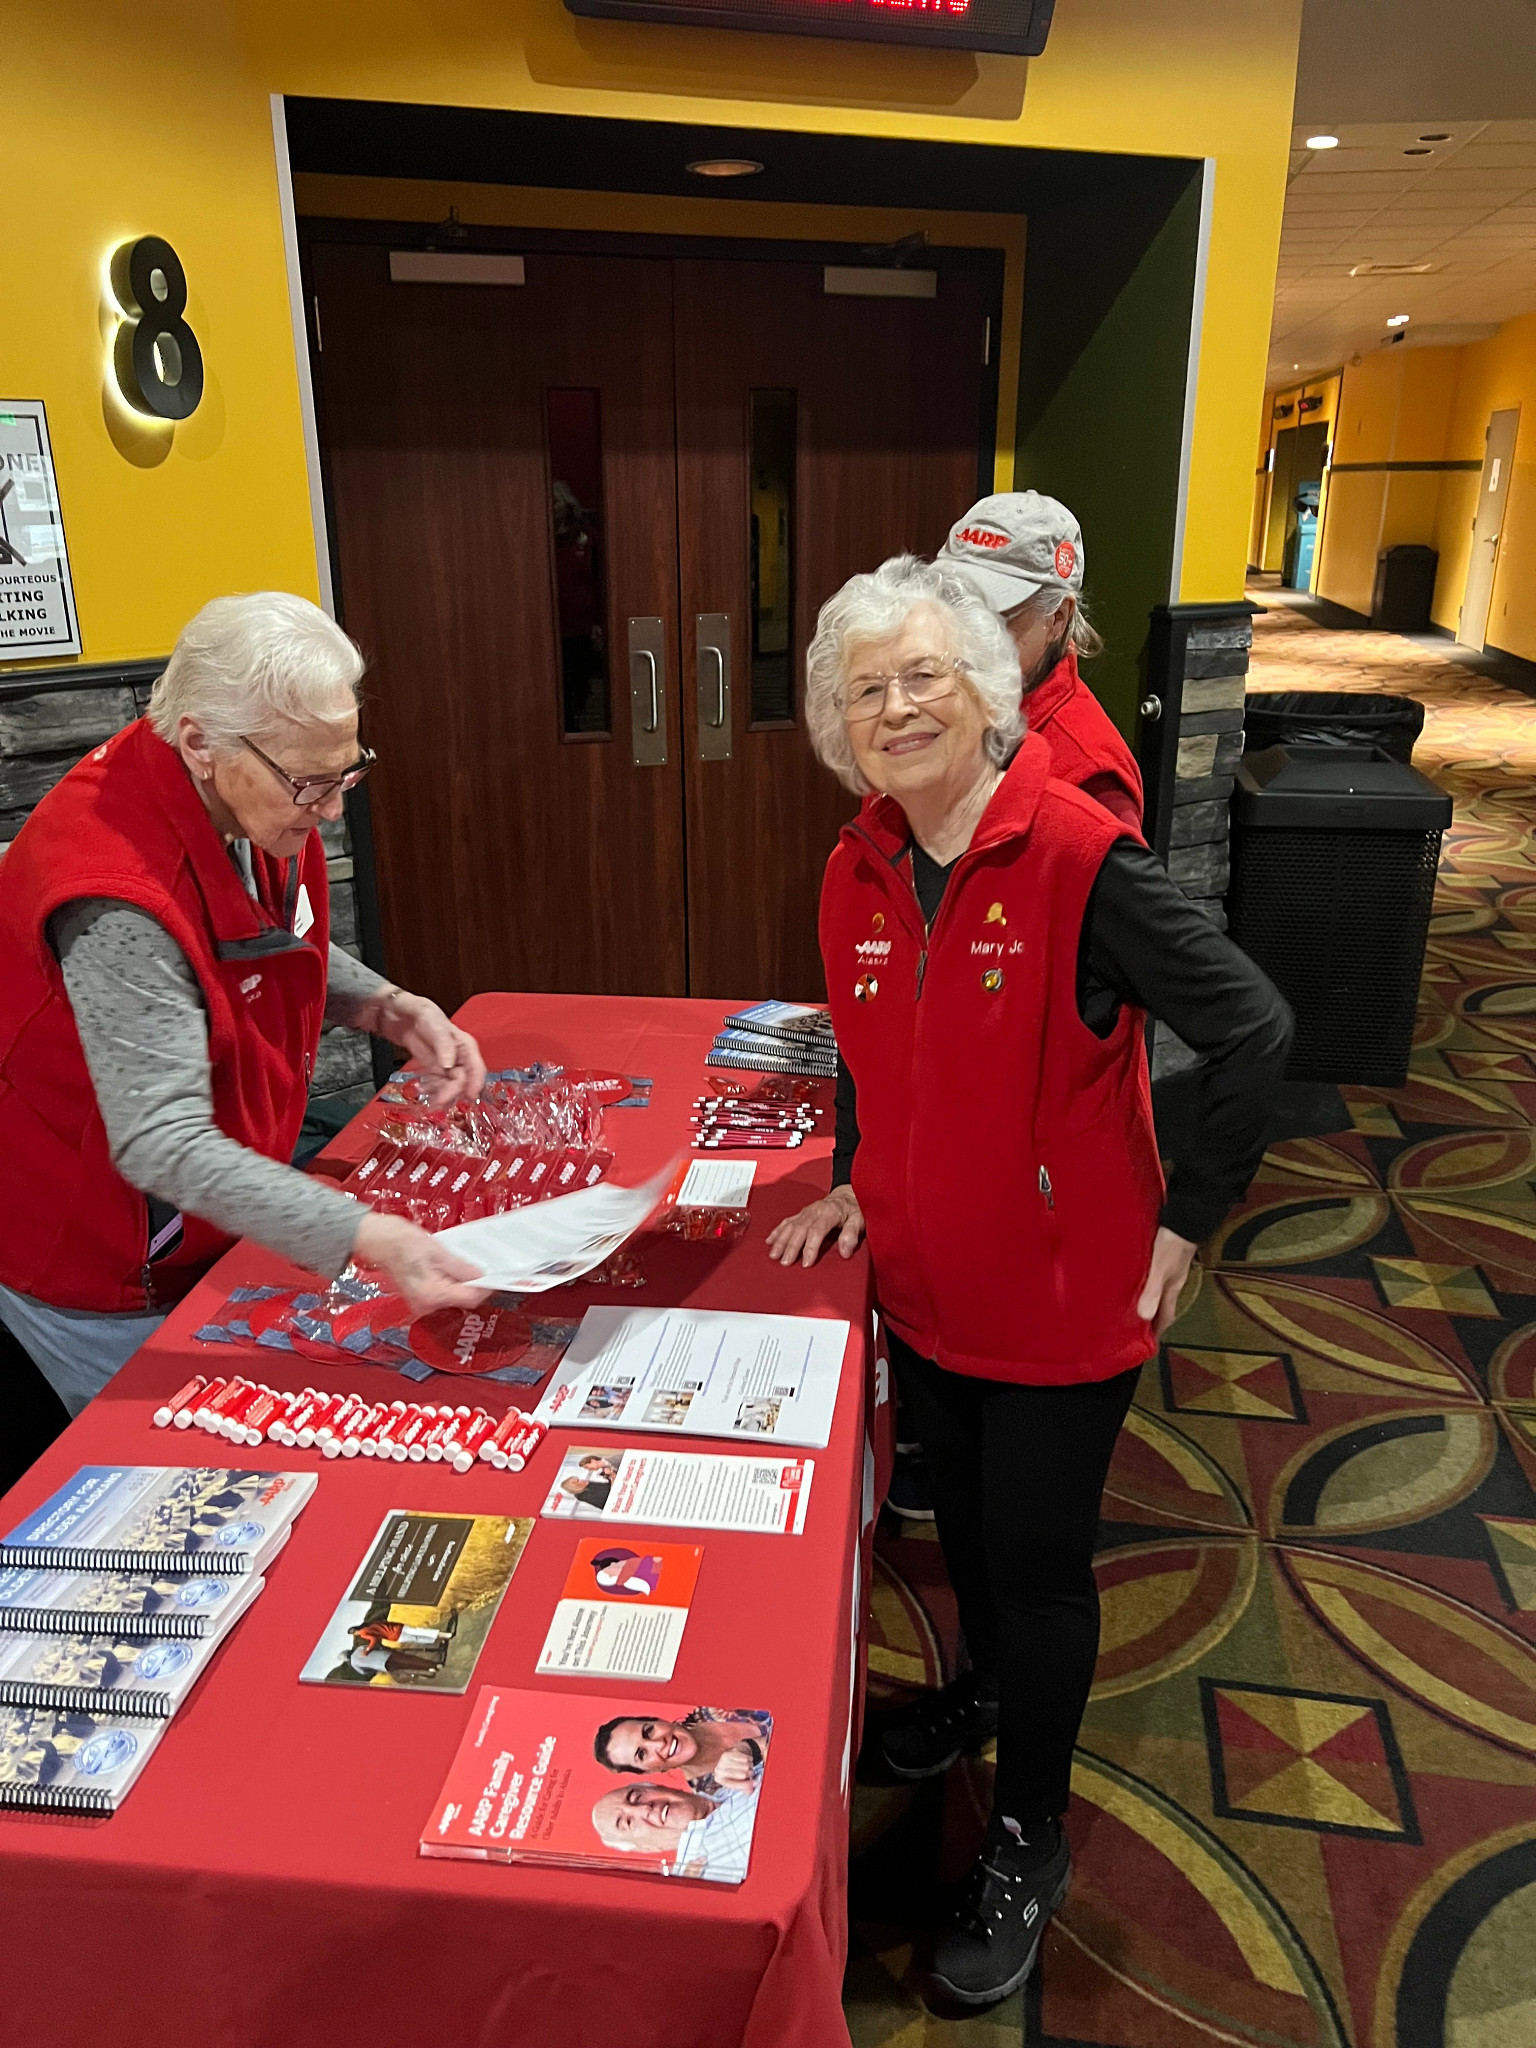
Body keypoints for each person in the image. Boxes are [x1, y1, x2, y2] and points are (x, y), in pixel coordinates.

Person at [767, 556, 1291, 2007]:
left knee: (1040, 1570)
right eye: (866, 690)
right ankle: (984, 1689)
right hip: (927, 1290)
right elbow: (875, 1062)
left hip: (1066, 1307)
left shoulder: (1077, 857)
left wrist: (1190, 1218)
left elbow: (1253, 1028)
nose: (897, 707)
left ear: (990, 693)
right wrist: (855, 1185)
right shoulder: (853, 866)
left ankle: (1028, 1834)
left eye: (925, 675)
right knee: (974, 1540)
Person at [0, 593, 487, 1418]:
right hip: (110, 1260)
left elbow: (259, 933)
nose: (332, 810)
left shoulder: (223, 791)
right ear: (199, 742)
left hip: (212, 1217)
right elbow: (160, 1142)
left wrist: (387, 1006)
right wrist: (361, 1233)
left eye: (347, 772)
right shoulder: (114, 896)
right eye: (309, 784)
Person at [939, 491, 1142, 830]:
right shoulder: (934, 700)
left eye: (995, 617)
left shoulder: (1091, 775)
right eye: (955, 605)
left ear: (1058, 619)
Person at [590, 1778, 760, 1883]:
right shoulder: (701, 1883)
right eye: (628, 1822)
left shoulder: (733, 1773)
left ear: (659, 1786)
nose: (644, 1809)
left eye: (636, 1797)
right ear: (646, 1849)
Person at [594, 1708, 772, 1795]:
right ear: (648, 1771)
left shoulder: (719, 1701)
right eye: (642, 1754)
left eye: (649, 1731)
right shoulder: (712, 1793)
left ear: (660, 1720)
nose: (658, 1744)